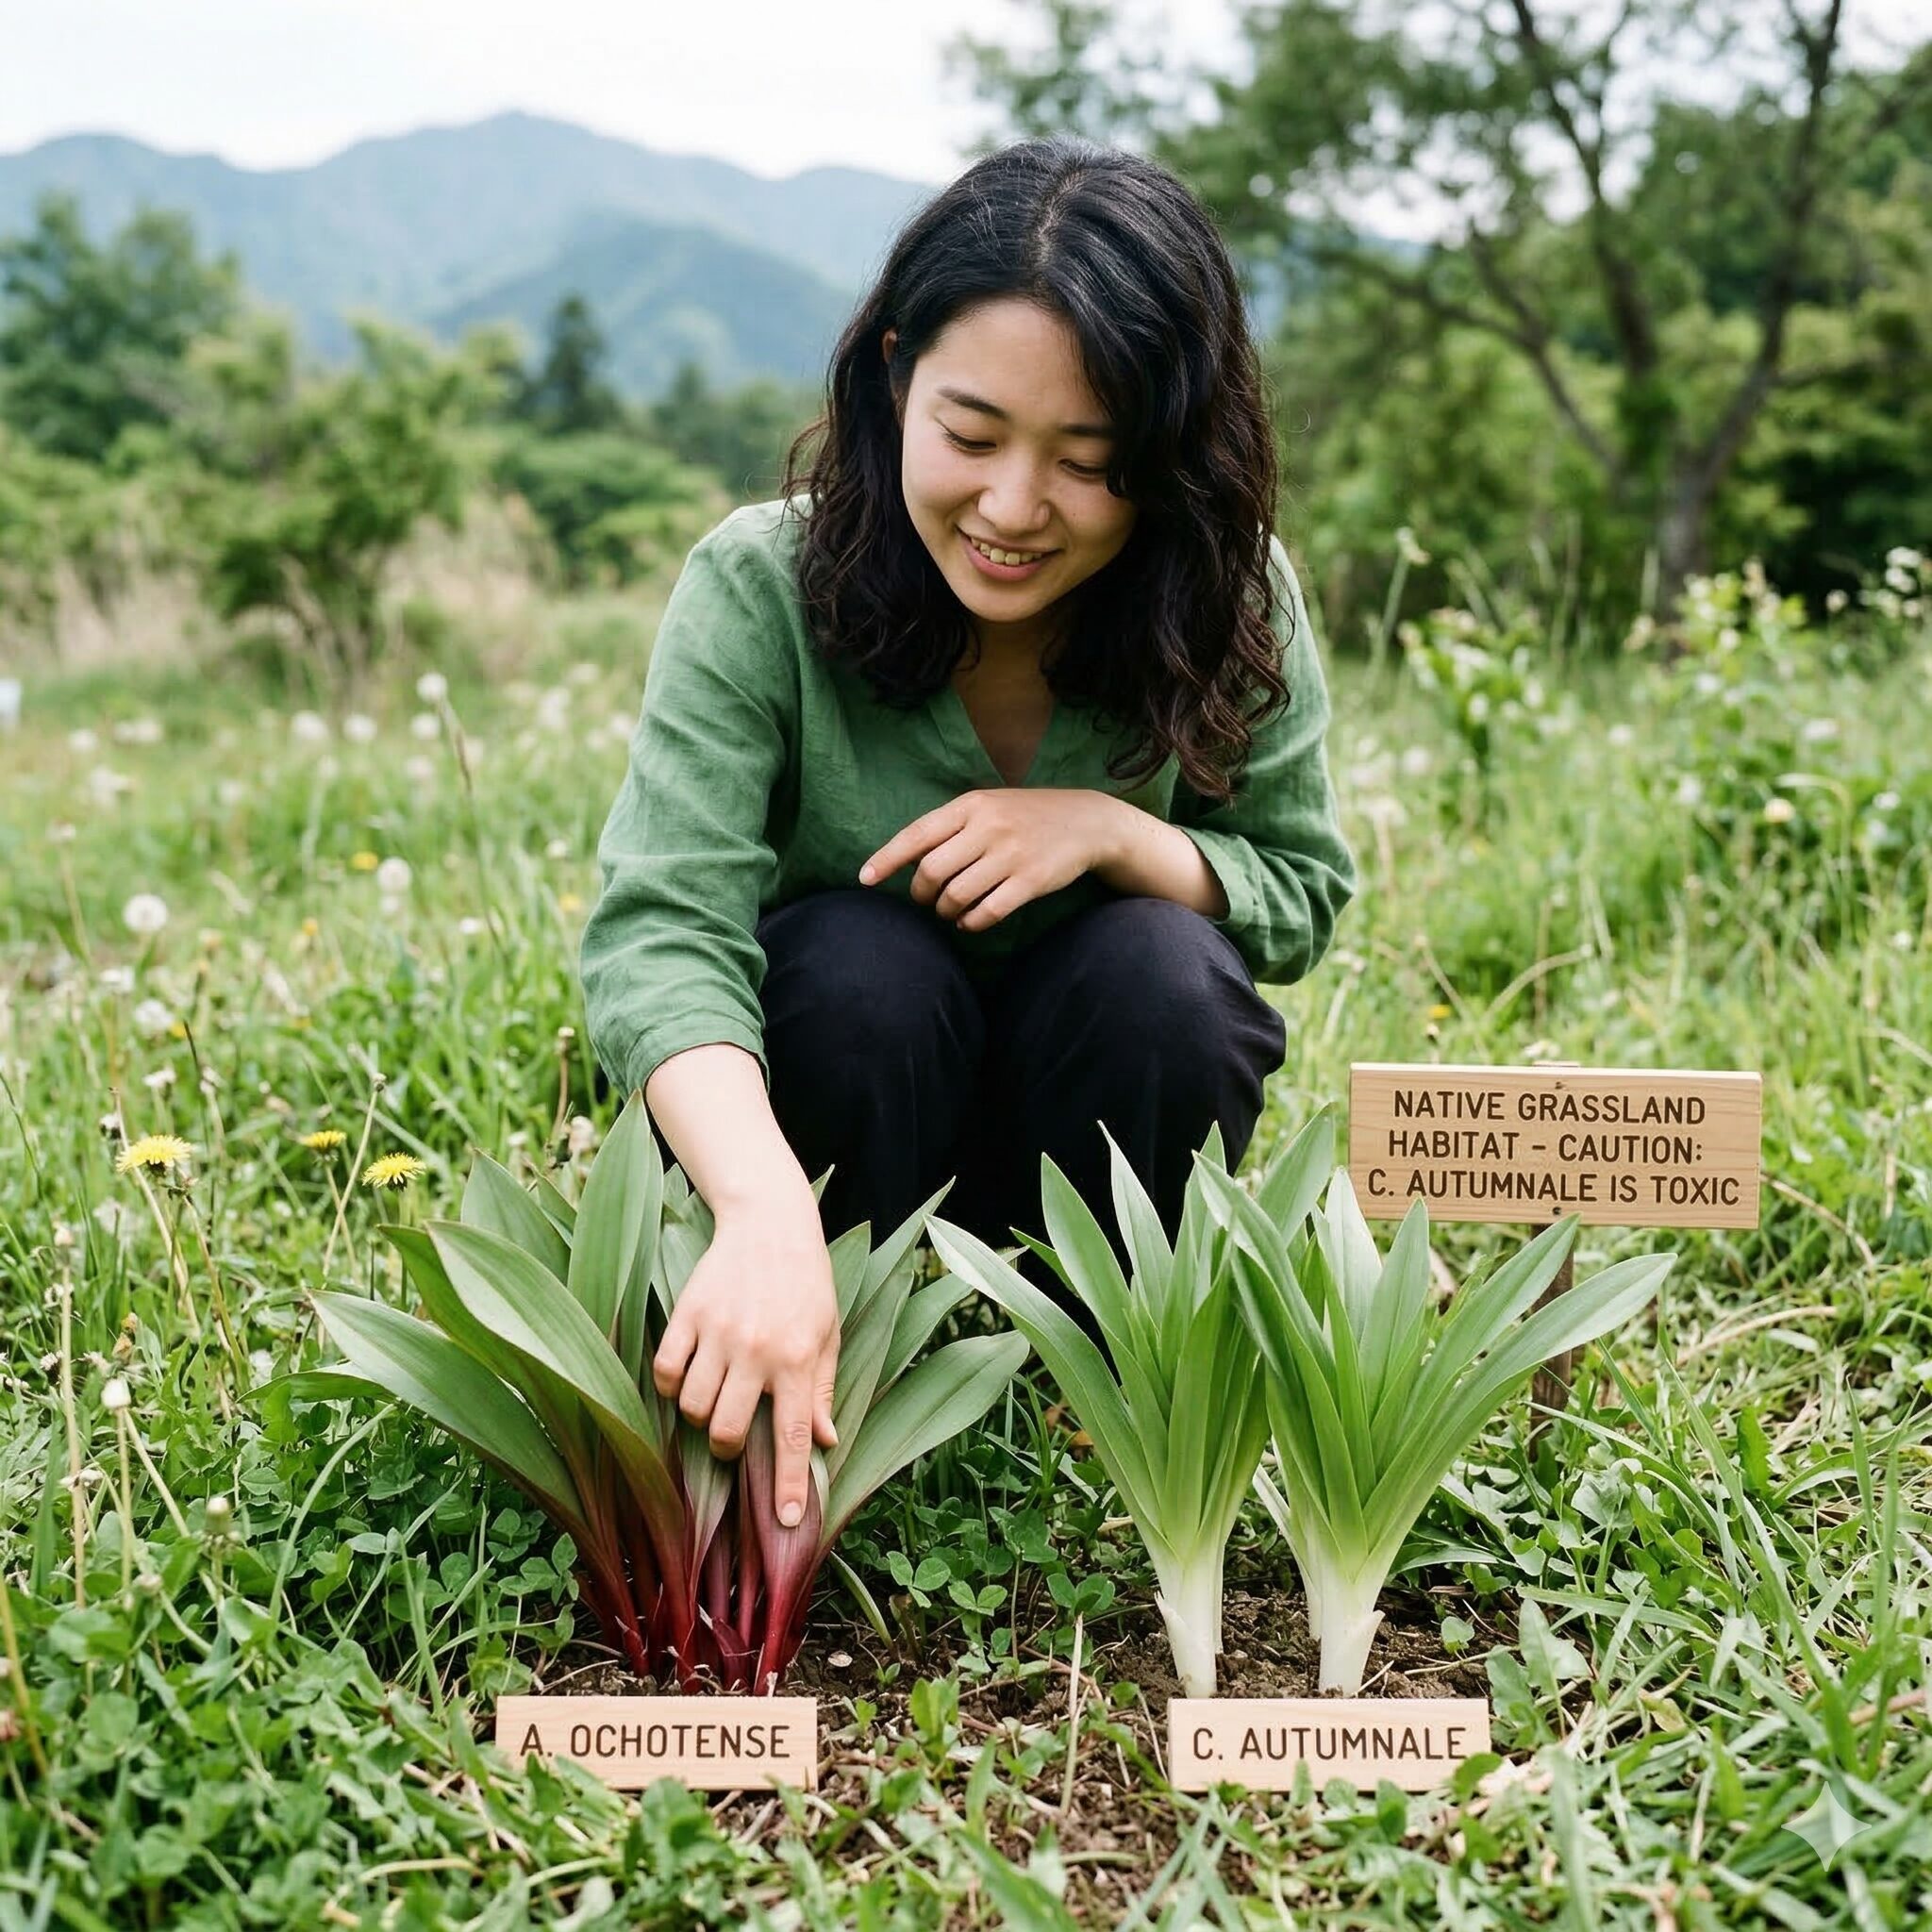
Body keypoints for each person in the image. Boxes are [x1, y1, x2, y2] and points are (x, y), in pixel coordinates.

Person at [580, 135, 1357, 1535]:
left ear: (1173, 455)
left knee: (1164, 977)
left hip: (1094, 1149)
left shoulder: (1232, 601)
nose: (1012, 510)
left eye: (1090, 462)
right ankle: (849, 1341)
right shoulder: (761, 586)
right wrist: (758, 1210)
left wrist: (1116, 833)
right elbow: (660, 936)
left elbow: (1299, 891)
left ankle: (1094, 1379)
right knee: (858, 966)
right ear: (893, 376)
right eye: (973, 436)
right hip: (841, 1151)